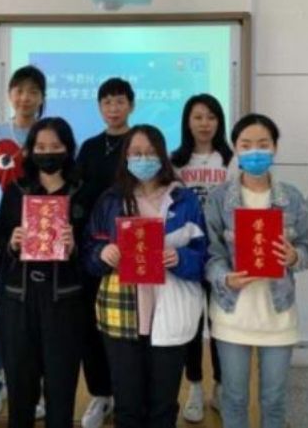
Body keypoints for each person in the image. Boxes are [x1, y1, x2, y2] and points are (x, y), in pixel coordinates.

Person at [84, 124, 207, 428]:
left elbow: (204, 256)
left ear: (163, 156)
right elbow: (89, 252)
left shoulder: (184, 200)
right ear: (125, 157)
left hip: (171, 310)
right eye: (136, 153)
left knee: (163, 407)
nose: (143, 159)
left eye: (150, 153)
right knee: (127, 407)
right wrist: (102, 254)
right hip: (122, 314)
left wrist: (180, 258)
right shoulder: (111, 200)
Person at [204, 113, 308, 428]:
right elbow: (210, 254)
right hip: (232, 314)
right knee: (234, 398)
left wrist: (294, 256)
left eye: (263, 144)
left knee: (274, 400)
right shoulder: (219, 198)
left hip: (278, 315)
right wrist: (225, 277)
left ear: (275, 147)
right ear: (236, 149)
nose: (255, 152)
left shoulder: (292, 198)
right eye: (246, 145)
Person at [0, 117, 88, 428]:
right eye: (41, 147)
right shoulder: (16, 190)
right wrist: (12, 243)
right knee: (20, 389)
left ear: (68, 149)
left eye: (55, 146)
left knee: (61, 389)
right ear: (31, 150)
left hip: (64, 302)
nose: (48, 153)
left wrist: (74, 246)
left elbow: (94, 250)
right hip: (19, 300)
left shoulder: (81, 191)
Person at [0, 65, 46, 418]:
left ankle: (38, 383)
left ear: (42, 97)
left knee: (38, 310)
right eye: (19, 90)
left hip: (43, 231)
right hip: (2, 233)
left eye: (33, 91)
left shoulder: (48, 133)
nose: (25, 98)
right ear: (9, 95)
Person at [75, 77, 135, 428]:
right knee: (91, 324)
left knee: (129, 327)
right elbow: (79, 194)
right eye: (107, 102)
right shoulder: (89, 147)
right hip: (95, 250)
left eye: (120, 101)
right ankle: (100, 393)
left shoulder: (139, 143)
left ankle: (127, 393)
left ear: (131, 105)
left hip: (134, 249)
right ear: (99, 107)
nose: (113, 108)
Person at [170, 94, 233, 422]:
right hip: (190, 254)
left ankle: (221, 386)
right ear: (187, 122)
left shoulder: (231, 160)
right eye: (198, 117)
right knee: (192, 323)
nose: (205, 123)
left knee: (220, 323)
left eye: (211, 117)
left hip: (223, 254)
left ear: (219, 121)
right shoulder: (175, 161)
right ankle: (194, 385)